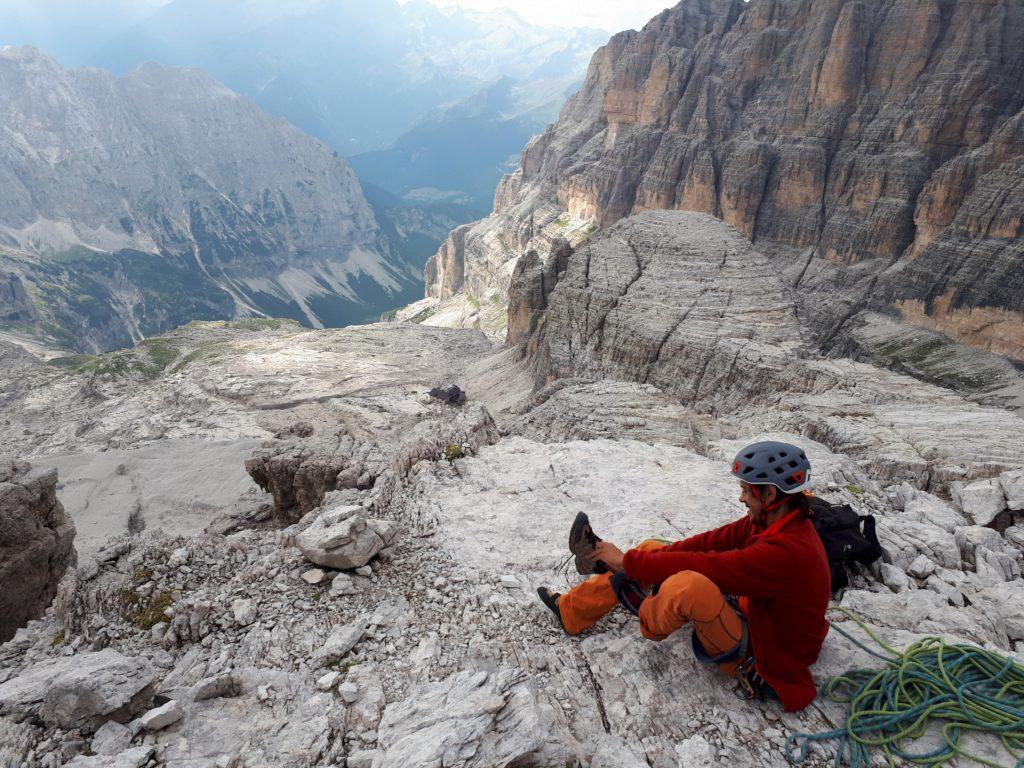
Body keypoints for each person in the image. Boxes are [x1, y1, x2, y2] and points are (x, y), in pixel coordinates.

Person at [536, 441, 831, 712]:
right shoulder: (774, 520)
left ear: (769, 494)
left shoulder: (787, 551)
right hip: (752, 613)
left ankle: (640, 605)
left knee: (688, 587)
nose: (741, 498)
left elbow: (711, 568)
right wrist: (637, 560)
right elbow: (710, 543)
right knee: (654, 551)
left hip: (763, 650)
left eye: (746, 490)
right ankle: (571, 611)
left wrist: (627, 563)